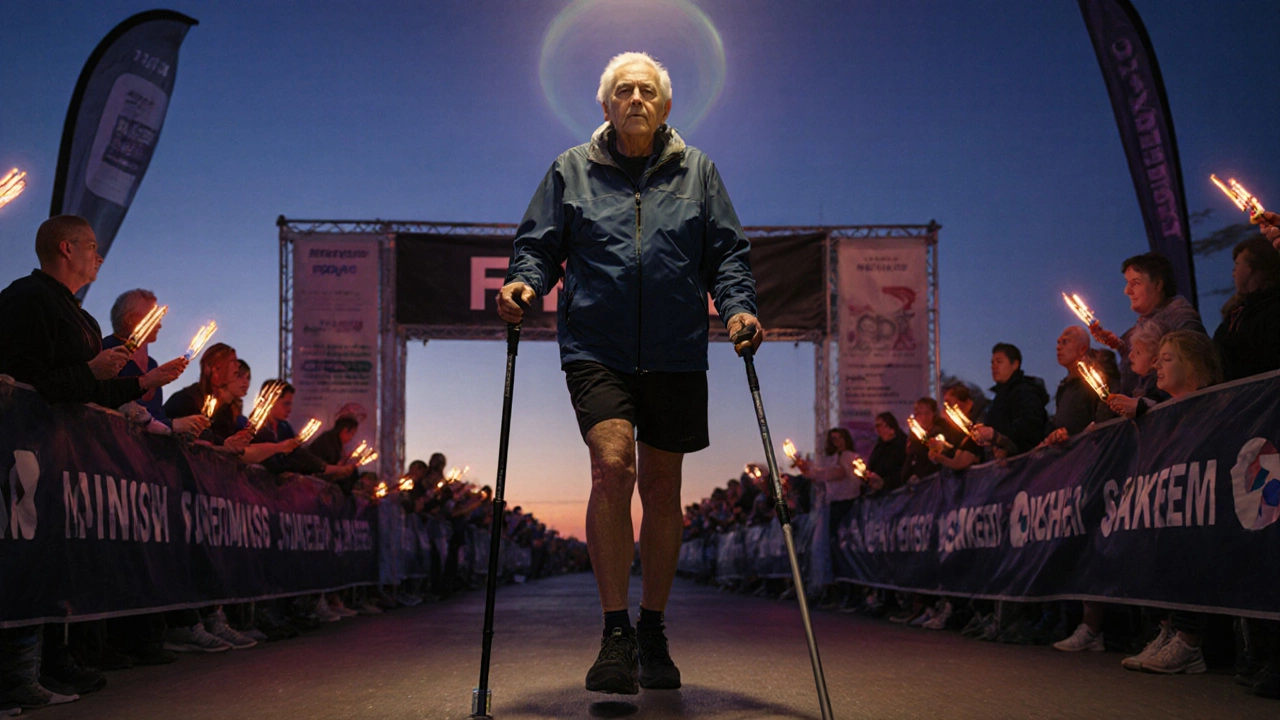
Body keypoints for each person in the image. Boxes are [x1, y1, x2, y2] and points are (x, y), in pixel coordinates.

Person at [496, 51, 760, 694]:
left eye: (646, 91)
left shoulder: (698, 172)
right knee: (613, 464)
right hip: (597, 346)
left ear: (665, 107)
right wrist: (523, 283)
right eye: (623, 91)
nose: (635, 99)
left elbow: (725, 252)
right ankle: (615, 632)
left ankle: (652, 627)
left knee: (663, 490)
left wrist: (740, 307)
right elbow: (539, 245)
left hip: (675, 349)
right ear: (606, 106)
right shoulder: (571, 170)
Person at [0, 216, 185, 710]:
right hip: (26, 451)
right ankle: (13, 673)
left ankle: (35, 668)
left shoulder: (80, 318)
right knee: (21, 560)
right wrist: (88, 371)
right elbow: (26, 378)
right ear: (66, 247)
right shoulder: (26, 299)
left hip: (65, 455)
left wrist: (143, 384)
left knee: (52, 561)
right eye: (92, 247)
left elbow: (94, 392)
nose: (99, 257)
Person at [1089, 252, 1206, 395]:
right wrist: (1121, 346)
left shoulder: (1180, 317)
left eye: (1135, 283)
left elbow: (1194, 363)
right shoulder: (1147, 322)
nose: (1127, 291)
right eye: (1127, 283)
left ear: (1158, 284)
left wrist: (1145, 403)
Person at [102, 289, 210, 436]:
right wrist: (173, 425)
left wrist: (183, 425)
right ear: (129, 319)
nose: (159, 325)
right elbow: (107, 402)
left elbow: (155, 415)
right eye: (153, 316)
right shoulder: (107, 351)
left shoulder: (152, 365)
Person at [1213, 236, 1280, 381]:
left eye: (1237, 265)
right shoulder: (1238, 311)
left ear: (1252, 269)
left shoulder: (1272, 312)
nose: (1233, 273)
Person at [972, 343, 1048, 457]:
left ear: (1015, 364)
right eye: (992, 363)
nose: (993, 366)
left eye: (999, 362)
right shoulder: (999, 396)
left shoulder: (1025, 392)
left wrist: (998, 438)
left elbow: (1028, 430)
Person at [1041, 326, 1099, 446]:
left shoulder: (1097, 382)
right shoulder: (1065, 387)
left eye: (1065, 342)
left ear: (1082, 349)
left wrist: (1071, 434)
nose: (1058, 347)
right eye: (1058, 343)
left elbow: (1103, 422)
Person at [864, 412, 907, 495]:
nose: (877, 430)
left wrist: (885, 483)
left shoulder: (902, 444)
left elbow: (904, 470)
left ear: (890, 426)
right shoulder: (880, 445)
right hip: (880, 492)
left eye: (879, 426)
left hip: (897, 494)